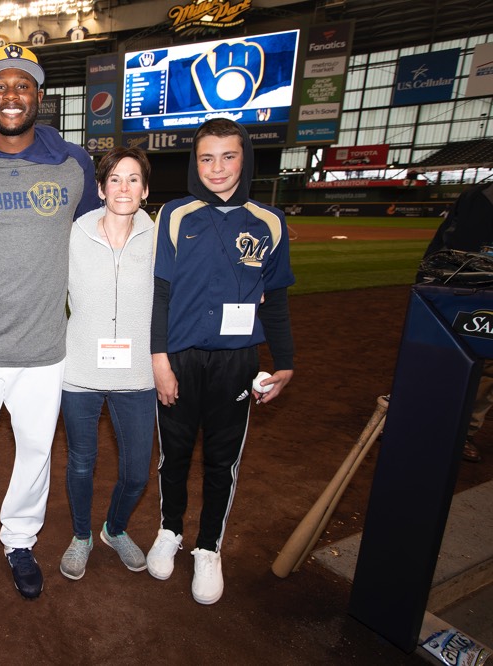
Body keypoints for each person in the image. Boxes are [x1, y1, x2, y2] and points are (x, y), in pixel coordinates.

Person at [0, 44, 98, 599]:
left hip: (44, 346)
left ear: (39, 96)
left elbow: (97, 236)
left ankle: (20, 540)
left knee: (35, 451)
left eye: (22, 84)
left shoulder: (74, 163)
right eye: (0, 85)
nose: (11, 95)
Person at [148, 118, 295, 605]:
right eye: (206, 157)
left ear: (244, 159)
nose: (217, 167)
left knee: (221, 460)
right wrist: (160, 361)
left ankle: (208, 547)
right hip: (180, 359)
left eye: (228, 156)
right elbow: (160, 294)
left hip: (236, 362)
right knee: (173, 455)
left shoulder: (269, 221)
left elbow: (276, 298)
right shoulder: (175, 214)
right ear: (195, 162)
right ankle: (170, 530)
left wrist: (285, 361)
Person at [58, 146, 157, 581]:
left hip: (136, 374)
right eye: (114, 179)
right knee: (81, 462)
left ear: (145, 189)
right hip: (80, 370)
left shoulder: (159, 239)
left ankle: (114, 529)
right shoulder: (72, 234)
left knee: (136, 472)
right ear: (100, 188)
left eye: (133, 179)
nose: (123, 187)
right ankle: (81, 536)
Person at [417, 182, 493, 462]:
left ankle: (464, 433)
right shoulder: (478, 196)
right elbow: (445, 243)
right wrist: (428, 281)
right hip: (462, 290)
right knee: (440, 355)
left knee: (489, 371)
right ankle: (415, 418)